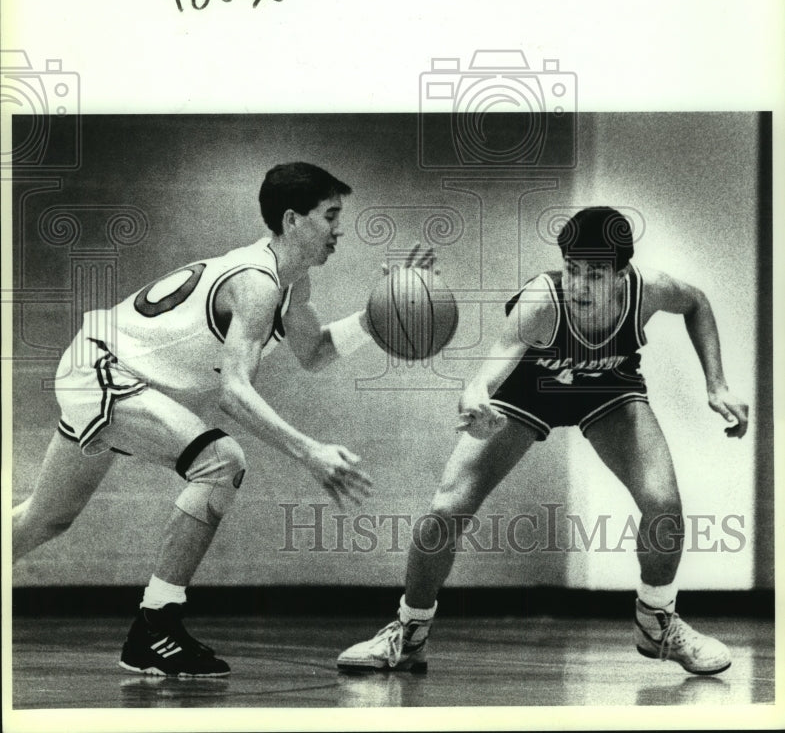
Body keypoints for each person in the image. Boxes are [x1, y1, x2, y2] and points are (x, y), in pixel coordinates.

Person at [13, 162, 424, 677]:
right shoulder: (256, 284)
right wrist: (310, 451)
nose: (340, 228)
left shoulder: (292, 285)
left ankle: (153, 628)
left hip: (111, 374)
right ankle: (154, 627)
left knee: (45, 518)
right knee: (221, 462)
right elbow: (233, 392)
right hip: (104, 369)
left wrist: (373, 318)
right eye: (331, 215)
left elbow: (314, 352)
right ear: (294, 220)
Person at [337, 206, 749, 677]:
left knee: (664, 504)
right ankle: (407, 635)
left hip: (608, 387)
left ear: (621, 275)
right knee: (446, 511)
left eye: (595, 274)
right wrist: (474, 402)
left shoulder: (648, 289)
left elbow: (696, 302)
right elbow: (490, 371)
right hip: (530, 388)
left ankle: (657, 625)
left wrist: (716, 384)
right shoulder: (542, 301)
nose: (579, 285)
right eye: (573, 270)